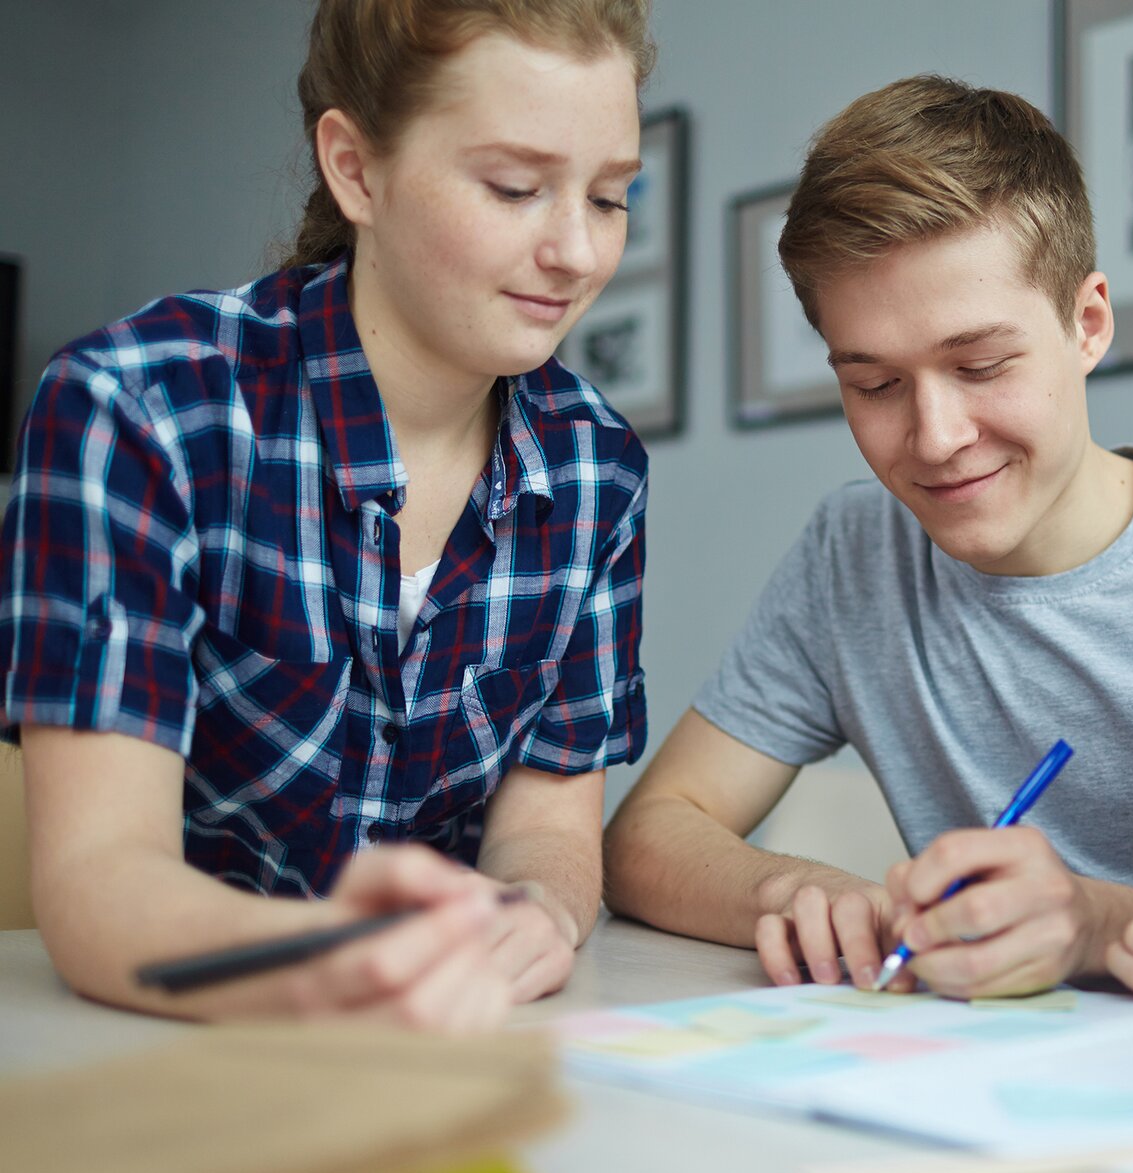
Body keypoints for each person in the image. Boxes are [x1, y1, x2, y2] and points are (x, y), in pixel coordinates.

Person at [603, 75, 1133, 999]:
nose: (935, 437)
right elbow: (650, 833)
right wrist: (796, 887)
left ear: (1087, 325)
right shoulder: (854, 551)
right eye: (874, 385)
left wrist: (1095, 925)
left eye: (981, 365)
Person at [0, 0, 655, 1027]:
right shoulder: (136, 408)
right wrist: (345, 962)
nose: (576, 251)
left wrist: (537, 912)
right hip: (168, 1049)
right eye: (517, 187)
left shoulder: (597, 469)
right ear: (355, 168)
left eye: (613, 197)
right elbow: (99, 883)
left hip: (453, 1046)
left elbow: (550, 832)